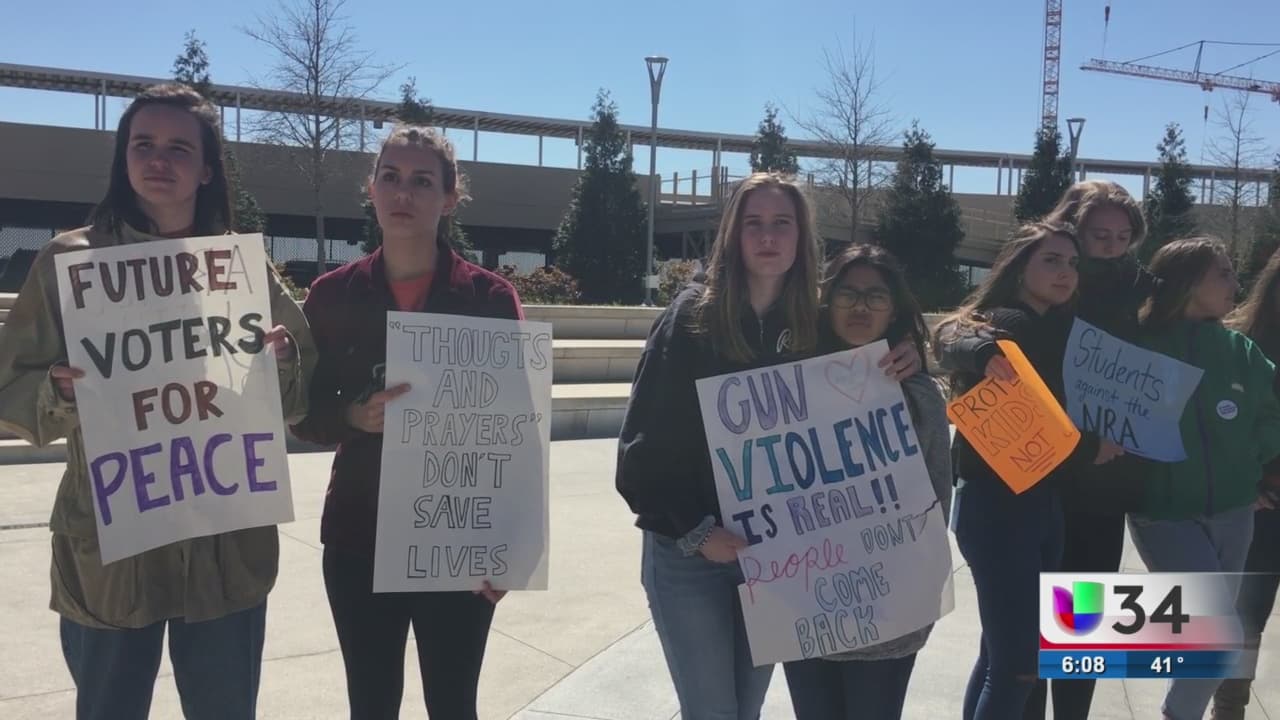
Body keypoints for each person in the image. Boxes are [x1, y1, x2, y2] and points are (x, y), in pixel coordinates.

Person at [0, 83, 313, 720]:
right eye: (143, 144)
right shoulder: (69, 263)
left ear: (207, 170)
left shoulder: (240, 269)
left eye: (178, 148)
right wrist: (59, 392)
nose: (158, 159)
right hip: (112, 543)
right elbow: (11, 392)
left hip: (225, 543)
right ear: (124, 158)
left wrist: (282, 363)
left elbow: (299, 399)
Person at [615, 172, 923, 719]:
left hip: (772, 558)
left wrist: (907, 349)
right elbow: (641, 448)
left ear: (802, 236)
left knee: (747, 709)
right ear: (732, 234)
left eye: (782, 223)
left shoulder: (812, 322)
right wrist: (695, 531)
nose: (767, 236)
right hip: (691, 554)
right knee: (713, 712)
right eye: (753, 223)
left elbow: (874, 330)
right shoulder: (690, 317)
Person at [289, 124, 520, 720]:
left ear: (449, 198)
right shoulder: (333, 295)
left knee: (454, 705)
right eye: (390, 177)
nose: (403, 193)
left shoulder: (489, 300)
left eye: (422, 182)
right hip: (359, 537)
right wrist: (351, 415)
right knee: (371, 705)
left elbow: (515, 432)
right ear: (371, 189)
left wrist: (509, 547)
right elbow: (303, 415)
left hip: (458, 541)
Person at [933, 222, 1122, 720]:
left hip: (1036, 503)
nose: (1066, 272)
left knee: (999, 656)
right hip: (1002, 506)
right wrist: (1092, 447)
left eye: (1072, 263)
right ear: (1019, 269)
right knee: (1020, 665)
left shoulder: (1054, 325)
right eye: (1051, 261)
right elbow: (952, 336)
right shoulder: (1009, 323)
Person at [781, 244, 952, 720]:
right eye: (847, 294)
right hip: (804, 607)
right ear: (825, 301)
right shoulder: (783, 388)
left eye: (876, 296)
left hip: (888, 614)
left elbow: (937, 500)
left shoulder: (918, 394)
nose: (860, 307)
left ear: (893, 309)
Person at [1131, 237, 1280, 720]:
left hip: (1236, 514)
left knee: (1199, 635)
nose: (1236, 283)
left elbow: (1269, 418)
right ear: (1189, 281)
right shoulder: (1140, 343)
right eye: (1224, 273)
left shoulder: (1242, 350)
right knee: (1220, 633)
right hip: (1165, 515)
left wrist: (1253, 467)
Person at [1213, 247, 1280, 720]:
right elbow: (1216, 425)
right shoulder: (1241, 344)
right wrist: (1245, 484)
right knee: (1243, 621)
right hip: (1261, 505)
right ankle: (1228, 710)